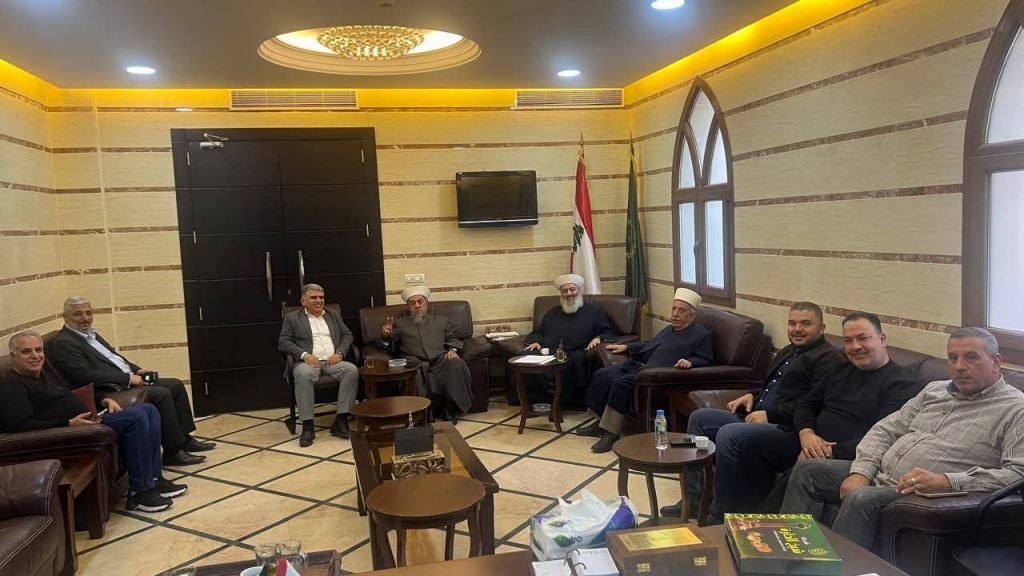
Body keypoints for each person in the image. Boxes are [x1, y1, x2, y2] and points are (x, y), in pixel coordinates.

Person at [781, 327, 1024, 549]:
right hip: (881, 472)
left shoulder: (1015, 409)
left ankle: (843, 570)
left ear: (996, 362)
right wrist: (861, 472)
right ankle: (790, 557)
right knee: (808, 470)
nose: (959, 366)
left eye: (971, 357)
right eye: (953, 358)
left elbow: (1017, 474)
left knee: (861, 497)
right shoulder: (935, 390)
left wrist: (949, 481)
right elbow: (885, 429)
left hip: (917, 492)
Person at [726, 311, 921, 523]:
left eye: (863, 338)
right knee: (754, 443)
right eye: (848, 340)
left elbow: (881, 438)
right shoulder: (840, 367)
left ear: (882, 340)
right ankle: (739, 520)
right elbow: (806, 404)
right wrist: (806, 434)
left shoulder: (901, 385)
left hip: (847, 454)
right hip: (809, 441)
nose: (855, 346)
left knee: (802, 470)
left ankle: (763, 527)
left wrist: (826, 452)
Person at [660, 301, 844, 518]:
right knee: (700, 419)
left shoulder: (828, 359)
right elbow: (770, 386)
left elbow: (814, 404)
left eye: (806, 324)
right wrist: (752, 395)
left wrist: (770, 415)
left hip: (786, 429)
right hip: (754, 416)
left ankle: (720, 514)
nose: (797, 329)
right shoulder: (788, 351)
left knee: (730, 434)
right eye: (792, 323)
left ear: (822, 328)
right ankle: (694, 497)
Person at [1, 331, 187, 513]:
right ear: (13, 356)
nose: (35, 356)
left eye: (38, 350)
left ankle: (154, 479)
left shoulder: (43, 375)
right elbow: (19, 425)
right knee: (135, 418)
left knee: (149, 410)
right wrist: (68, 423)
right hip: (72, 434)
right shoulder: (12, 386)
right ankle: (140, 493)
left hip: (88, 422)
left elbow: (72, 393)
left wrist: (104, 400)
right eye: (27, 351)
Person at [49, 297, 213, 466]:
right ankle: (173, 452)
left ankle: (185, 439)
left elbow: (114, 358)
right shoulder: (64, 342)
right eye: (78, 314)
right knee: (161, 393)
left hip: (124, 379)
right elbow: (83, 375)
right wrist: (128, 379)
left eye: (88, 313)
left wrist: (136, 370)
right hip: (107, 389)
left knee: (175, 384)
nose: (85, 318)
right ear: (65, 316)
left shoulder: (91, 334)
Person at [576, 287, 714, 453]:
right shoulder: (670, 329)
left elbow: (706, 358)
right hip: (640, 366)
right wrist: (627, 347)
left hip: (656, 376)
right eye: (674, 309)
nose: (675, 314)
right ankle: (599, 421)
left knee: (621, 383)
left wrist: (690, 362)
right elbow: (651, 345)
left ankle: (611, 433)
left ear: (691, 315)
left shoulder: (702, 335)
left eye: (681, 311)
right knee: (602, 375)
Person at [278, 283, 359, 447]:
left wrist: (340, 353)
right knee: (303, 374)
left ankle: (341, 420)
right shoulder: (292, 318)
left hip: (331, 361)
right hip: (307, 363)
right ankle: (308, 426)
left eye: (321, 297)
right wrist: (304, 355)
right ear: (303, 301)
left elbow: (347, 335)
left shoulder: (332, 315)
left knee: (351, 370)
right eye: (313, 297)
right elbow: (284, 342)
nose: (319, 301)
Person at [522, 273, 616, 407]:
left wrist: (598, 338)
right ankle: (536, 400)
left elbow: (607, 331)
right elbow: (540, 331)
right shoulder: (553, 312)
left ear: (580, 290)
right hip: (550, 352)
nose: (569, 293)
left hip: (576, 351)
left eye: (572, 289)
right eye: (565, 291)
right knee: (525, 355)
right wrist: (537, 341)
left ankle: (566, 402)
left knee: (574, 360)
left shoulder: (593, 311)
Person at [381, 285, 472, 423]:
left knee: (456, 364)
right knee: (414, 371)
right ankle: (423, 412)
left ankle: (449, 408)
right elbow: (391, 347)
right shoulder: (400, 323)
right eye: (412, 303)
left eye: (420, 302)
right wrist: (385, 336)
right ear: (409, 306)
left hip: (440, 358)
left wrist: (452, 350)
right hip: (414, 360)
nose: (417, 306)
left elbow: (452, 339)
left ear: (426, 303)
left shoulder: (441, 321)